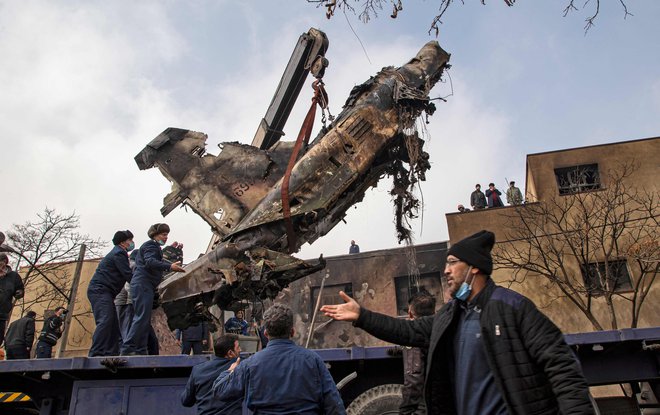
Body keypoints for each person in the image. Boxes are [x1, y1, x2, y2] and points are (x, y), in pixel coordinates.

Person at [321, 230, 593, 415]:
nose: (447, 270)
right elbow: (408, 330)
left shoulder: (512, 307)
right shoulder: (451, 316)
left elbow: (562, 367)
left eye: (453, 263)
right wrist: (362, 316)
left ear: (474, 267)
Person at [213, 304, 345, 414]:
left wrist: (230, 371)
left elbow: (220, 391)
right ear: (292, 332)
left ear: (265, 333)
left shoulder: (250, 364)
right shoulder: (312, 360)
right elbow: (334, 405)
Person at [120, 223, 185, 356]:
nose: (166, 237)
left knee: (143, 319)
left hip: (145, 286)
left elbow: (157, 262)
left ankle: (139, 349)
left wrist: (169, 265)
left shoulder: (155, 248)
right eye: (163, 234)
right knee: (141, 318)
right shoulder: (150, 245)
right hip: (143, 285)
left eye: (167, 235)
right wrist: (170, 267)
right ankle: (128, 349)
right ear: (154, 235)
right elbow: (150, 262)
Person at [87, 230, 134, 357]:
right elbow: (127, 274)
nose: (132, 243)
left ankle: (111, 352)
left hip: (104, 292)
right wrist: (141, 286)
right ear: (123, 242)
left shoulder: (118, 253)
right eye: (130, 240)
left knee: (113, 323)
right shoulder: (119, 253)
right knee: (106, 320)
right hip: (100, 290)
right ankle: (96, 352)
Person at [181, 334, 243, 414]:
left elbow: (186, 401)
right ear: (230, 353)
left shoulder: (197, 370)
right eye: (238, 347)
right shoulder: (240, 367)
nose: (240, 350)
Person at [399, 292, 436, 415]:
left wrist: (406, 410)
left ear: (410, 313)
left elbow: (413, 378)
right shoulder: (439, 330)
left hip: (423, 406)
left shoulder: (414, 337)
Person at [0, 253, 25, 346]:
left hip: (2, 313)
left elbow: (20, 288)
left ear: (5, 263)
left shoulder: (13, 276)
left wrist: (19, 292)